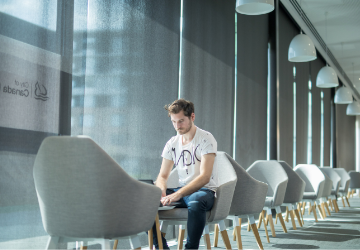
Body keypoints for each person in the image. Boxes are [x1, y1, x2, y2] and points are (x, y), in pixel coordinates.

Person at [152, 98, 218, 250]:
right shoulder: (172, 143)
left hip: (204, 191)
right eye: (174, 122)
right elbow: (162, 176)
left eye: (181, 121)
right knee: (146, 199)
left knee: (196, 200)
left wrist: (177, 195)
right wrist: (161, 190)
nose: (177, 126)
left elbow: (205, 177)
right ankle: (160, 246)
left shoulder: (206, 139)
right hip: (182, 190)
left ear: (192, 117)